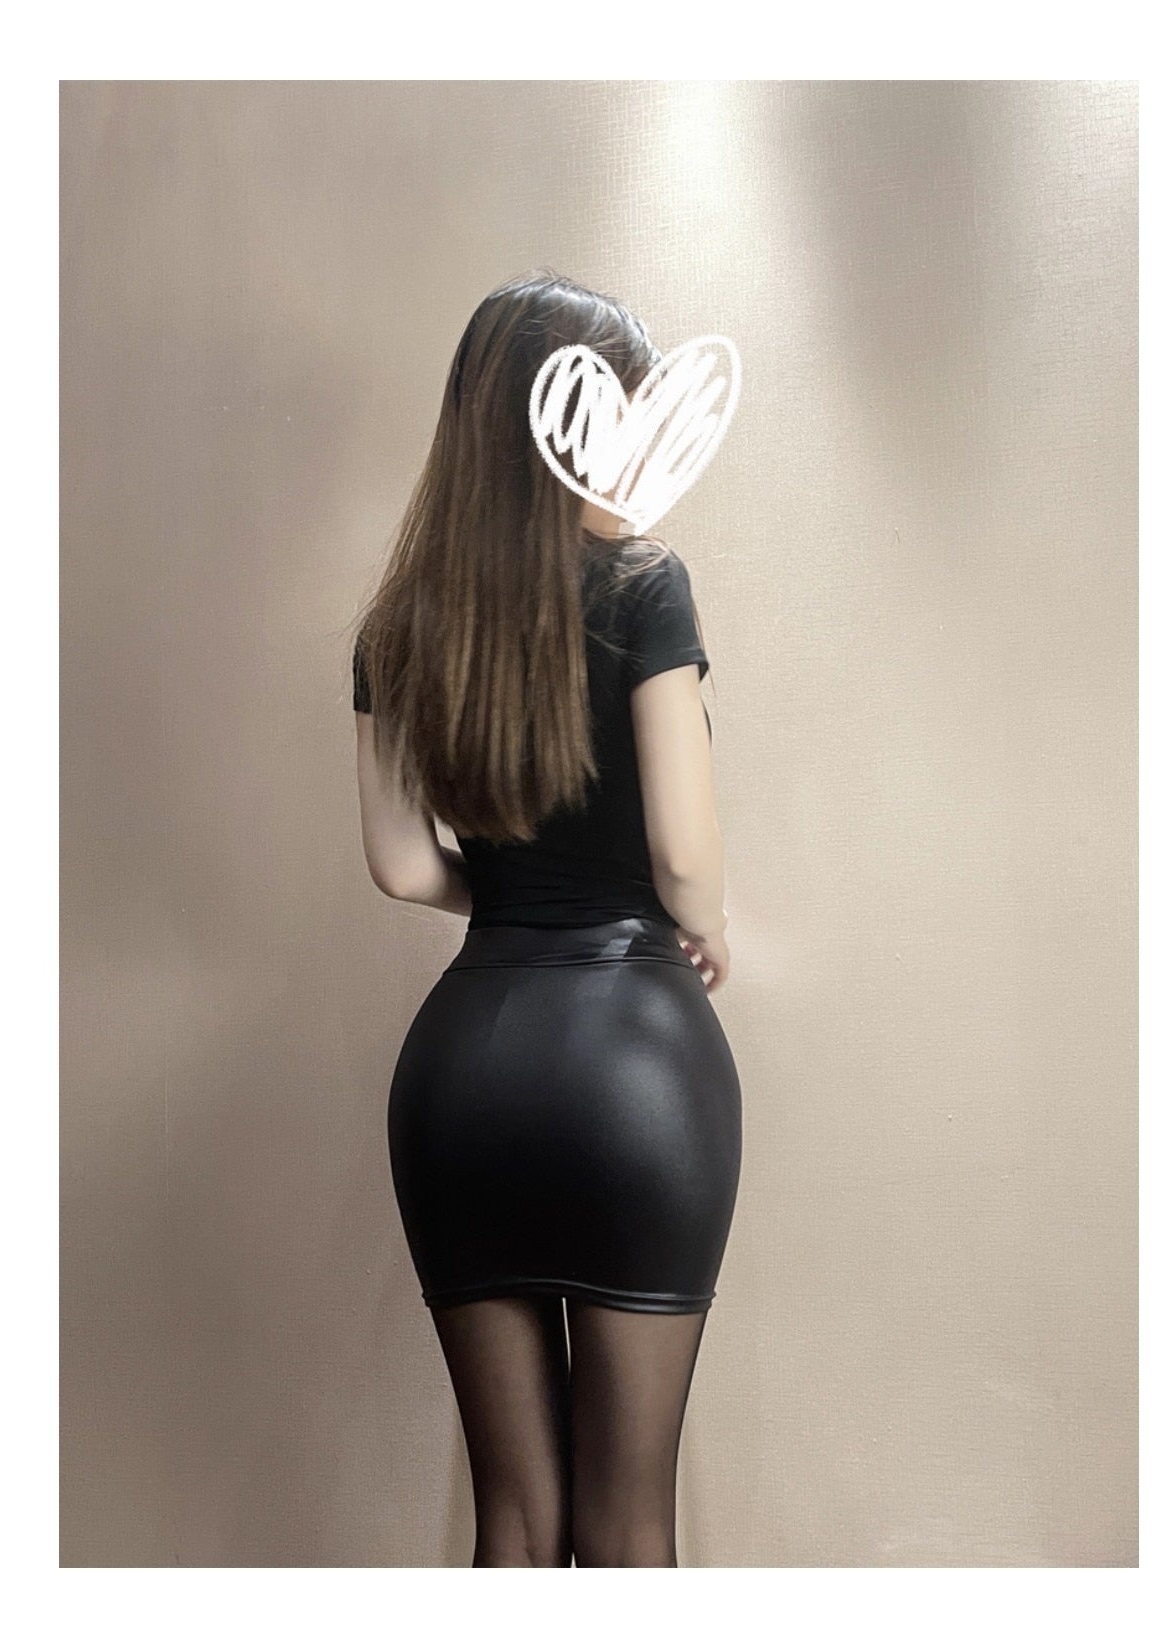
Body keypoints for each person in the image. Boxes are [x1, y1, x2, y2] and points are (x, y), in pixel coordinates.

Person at [349, 270, 742, 1568]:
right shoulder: (645, 586)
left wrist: (514, 896)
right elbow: (683, 857)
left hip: (463, 1076)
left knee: (515, 1521)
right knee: (628, 1523)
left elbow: (401, 867)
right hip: (634, 1068)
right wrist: (702, 924)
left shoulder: (401, 625)